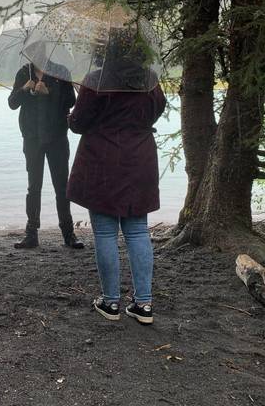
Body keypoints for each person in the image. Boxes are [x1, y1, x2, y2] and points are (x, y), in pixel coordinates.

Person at [67, 51, 166, 324]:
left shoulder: (96, 80)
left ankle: (111, 302)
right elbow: (157, 110)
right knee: (137, 230)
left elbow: (78, 124)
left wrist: (75, 108)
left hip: (102, 160)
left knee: (105, 232)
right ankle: (143, 304)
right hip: (140, 159)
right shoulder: (150, 79)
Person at [8, 56, 84, 250]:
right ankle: (31, 234)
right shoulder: (24, 72)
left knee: (61, 186)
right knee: (34, 186)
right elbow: (12, 103)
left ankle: (68, 234)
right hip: (32, 138)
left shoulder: (61, 71)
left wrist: (48, 92)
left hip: (57, 137)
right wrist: (25, 89)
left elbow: (71, 100)